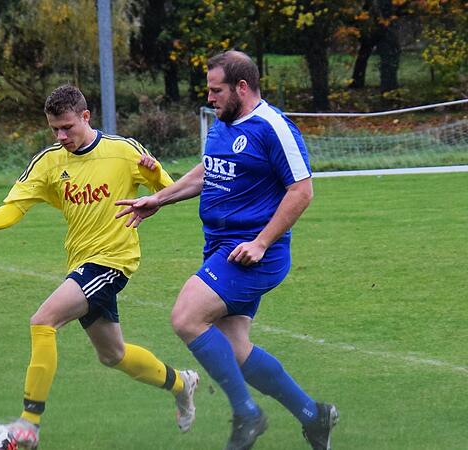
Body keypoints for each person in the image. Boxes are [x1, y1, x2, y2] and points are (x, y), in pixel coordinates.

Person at [115, 50, 338, 450]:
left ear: (241, 87)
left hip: (253, 253)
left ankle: (247, 414)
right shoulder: (221, 125)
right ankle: (313, 414)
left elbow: (301, 191)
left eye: (216, 90)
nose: (210, 98)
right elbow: (208, 170)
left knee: (186, 317)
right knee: (234, 349)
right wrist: (159, 199)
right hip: (220, 248)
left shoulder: (273, 127)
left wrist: (261, 242)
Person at [0, 85, 199, 449]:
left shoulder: (122, 151)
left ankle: (29, 423)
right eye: (54, 129)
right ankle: (182, 383)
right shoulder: (49, 162)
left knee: (43, 320)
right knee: (112, 355)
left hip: (114, 260)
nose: (61, 136)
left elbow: (169, 189)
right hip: (81, 261)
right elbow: (15, 206)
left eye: (67, 127)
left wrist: (153, 176)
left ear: (86, 117)